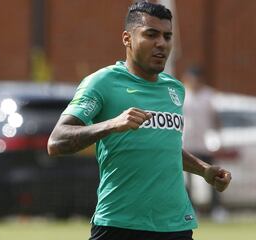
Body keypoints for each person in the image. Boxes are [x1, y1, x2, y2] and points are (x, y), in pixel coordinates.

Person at [47, 2, 231, 240]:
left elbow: (165, 146)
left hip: (175, 225)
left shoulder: (174, 89)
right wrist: (112, 124)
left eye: (167, 36)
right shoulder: (102, 82)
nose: (161, 44)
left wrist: (204, 170)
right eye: (151, 34)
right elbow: (56, 141)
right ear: (127, 38)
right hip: (120, 224)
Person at [182, 66, 227, 221]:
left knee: (213, 174)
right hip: (186, 144)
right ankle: (192, 208)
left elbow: (216, 119)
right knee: (187, 180)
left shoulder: (209, 95)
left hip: (203, 144)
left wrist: (218, 138)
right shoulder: (183, 94)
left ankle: (217, 208)